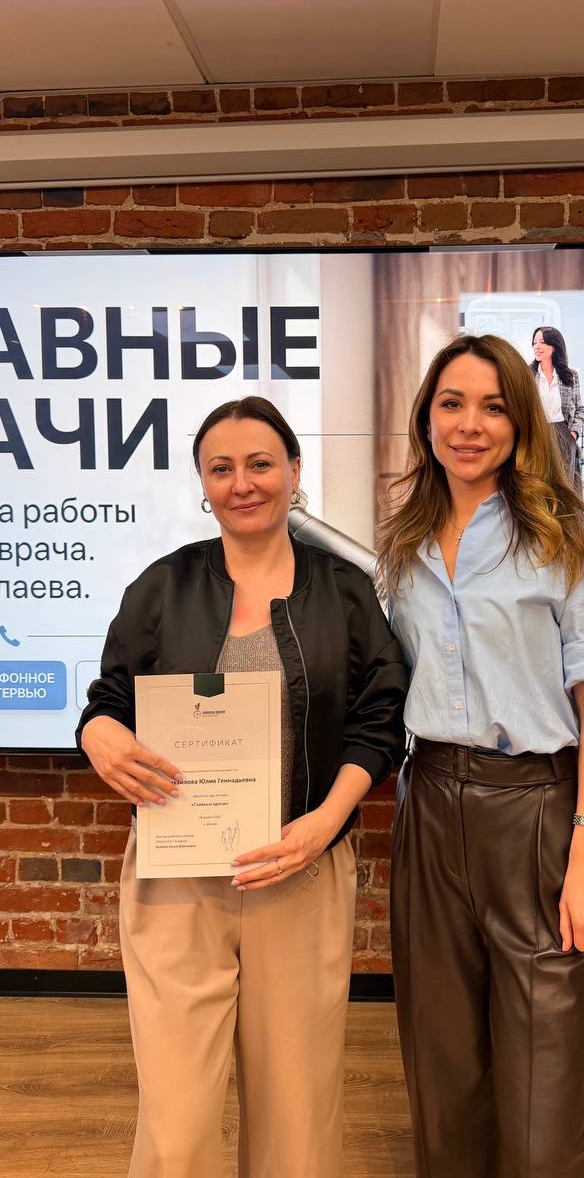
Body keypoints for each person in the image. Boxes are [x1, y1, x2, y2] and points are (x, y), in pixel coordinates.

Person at [77, 396, 408, 1178]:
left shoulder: (347, 593)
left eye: (260, 464)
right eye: (221, 468)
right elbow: (108, 700)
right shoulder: (161, 588)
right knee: (176, 1122)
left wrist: (326, 822)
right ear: (203, 483)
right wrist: (100, 737)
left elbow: (379, 721)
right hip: (176, 882)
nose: (242, 483)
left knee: (298, 1118)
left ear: (294, 471)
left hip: (300, 869)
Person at [378, 334, 584, 1178]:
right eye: (452, 404)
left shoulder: (569, 537)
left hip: (537, 814)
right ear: (426, 419)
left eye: (493, 407)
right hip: (428, 806)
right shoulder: (406, 543)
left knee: (543, 1106)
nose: (470, 425)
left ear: (522, 422)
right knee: (444, 1083)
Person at [531, 324, 584, 494]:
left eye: (542, 342)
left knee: (564, 486)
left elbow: (580, 410)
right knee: (539, 483)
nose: (537, 347)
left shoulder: (570, 376)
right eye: (534, 342)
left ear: (554, 346)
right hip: (537, 433)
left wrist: (573, 433)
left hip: (563, 433)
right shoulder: (527, 374)